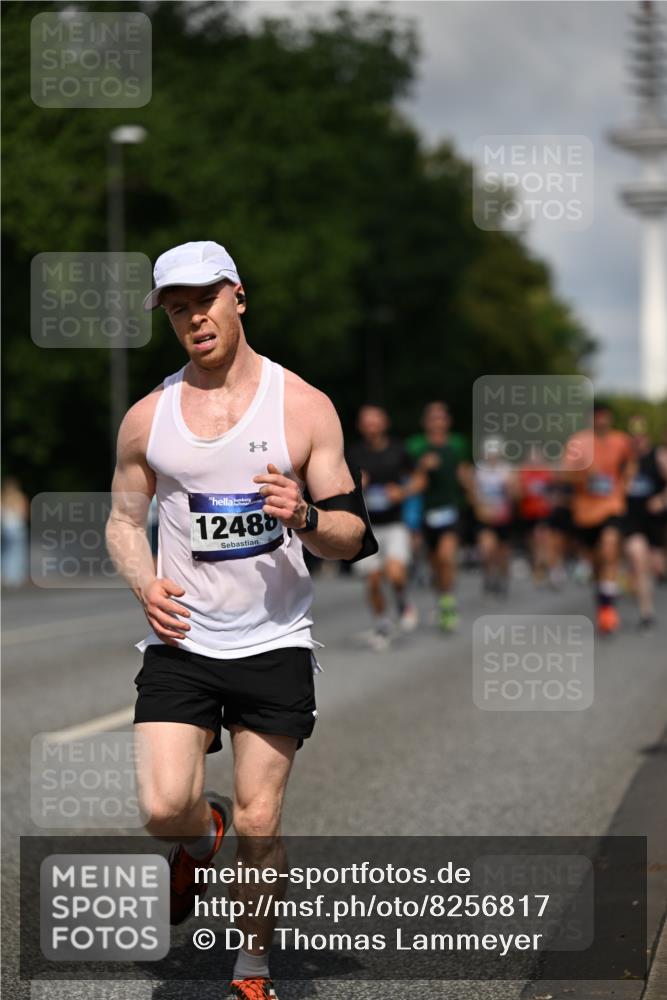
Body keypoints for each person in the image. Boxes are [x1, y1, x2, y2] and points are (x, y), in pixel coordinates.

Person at [106, 241, 375, 1000]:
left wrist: (306, 515)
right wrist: (142, 583)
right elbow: (124, 524)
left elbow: (355, 534)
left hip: (273, 641)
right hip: (183, 639)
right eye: (176, 307)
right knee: (163, 807)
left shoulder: (301, 406)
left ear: (238, 297)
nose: (194, 317)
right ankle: (199, 835)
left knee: (262, 820)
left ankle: (251, 972)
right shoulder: (148, 418)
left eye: (204, 299)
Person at [347, 404, 419, 650]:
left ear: (384, 423)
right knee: (374, 580)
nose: (371, 426)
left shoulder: (398, 450)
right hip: (366, 525)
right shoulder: (353, 454)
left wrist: (403, 491)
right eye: (366, 422)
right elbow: (338, 485)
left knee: (395, 573)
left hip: (395, 523)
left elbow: (420, 479)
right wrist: (356, 484)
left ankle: (401, 600)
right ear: (360, 426)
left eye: (375, 421)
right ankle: (382, 623)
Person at [564, 401, 634, 634]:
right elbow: (563, 474)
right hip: (585, 511)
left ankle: (608, 611)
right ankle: (603, 599)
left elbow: (630, 464)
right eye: (597, 417)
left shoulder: (621, 440)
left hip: (612, 505)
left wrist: (625, 484)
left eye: (605, 416)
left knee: (610, 546)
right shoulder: (578, 442)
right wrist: (583, 472)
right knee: (596, 562)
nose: (601, 421)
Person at [407, 402, 469, 632]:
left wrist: (473, 493)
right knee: (434, 565)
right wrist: (422, 467)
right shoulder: (416, 446)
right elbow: (409, 477)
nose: (437, 423)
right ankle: (442, 598)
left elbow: (464, 472)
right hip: (425, 513)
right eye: (433, 418)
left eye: (441, 418)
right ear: (425, 422)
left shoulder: (457, 444)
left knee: (446, 557)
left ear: (447, 421)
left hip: (451, 509)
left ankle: (448, 601)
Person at [622, 416, 667, 629]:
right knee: (639, 561)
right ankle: (646, 612)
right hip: (632, 520)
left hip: (655, 521)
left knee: (656, 567)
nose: (637, 440)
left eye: (641, 436)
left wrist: (662, 499)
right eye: (634, 437)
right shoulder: (625, 460)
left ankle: (655, 575)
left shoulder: (658, 456)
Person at [1, 476, 29, 588]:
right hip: (17, 527)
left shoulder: (3, 497)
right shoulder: (19, 497)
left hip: (5, 528)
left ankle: (5, 575)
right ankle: (15, 577)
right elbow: (24, 512)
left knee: (5, 552)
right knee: (17, 552)